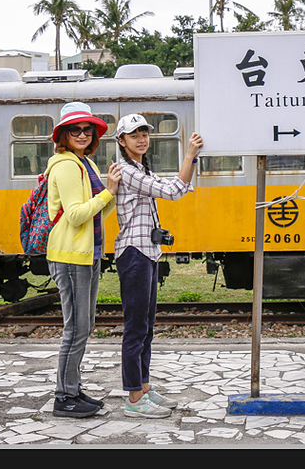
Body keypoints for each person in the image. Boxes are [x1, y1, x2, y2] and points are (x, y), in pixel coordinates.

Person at [113, 113, 203, 418]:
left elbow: (172, 187)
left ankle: (145, 387)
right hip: (134, 254)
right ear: (122, 142)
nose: (141, 138)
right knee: (135, 328)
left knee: (146, 328)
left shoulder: (140, 169)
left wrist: (188, 164)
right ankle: (134, 398)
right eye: (134, 135)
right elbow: (174, 191)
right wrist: (189, 155)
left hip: (147, 253)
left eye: (144, 134)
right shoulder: (128, 172)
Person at [46, 101, 121, 418]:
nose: (81, 134)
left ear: (93, 135)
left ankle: (73, 389)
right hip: (70, 255)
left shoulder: (84, 164)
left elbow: (99, 212)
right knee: (75, 328)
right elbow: (77, 216)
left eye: (86, 130)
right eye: (74, 130)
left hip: (87, 253)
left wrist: (111, 193)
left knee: (84, 325)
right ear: (63, 134)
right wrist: (109, 191)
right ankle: (64, 397)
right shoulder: (65, 165)